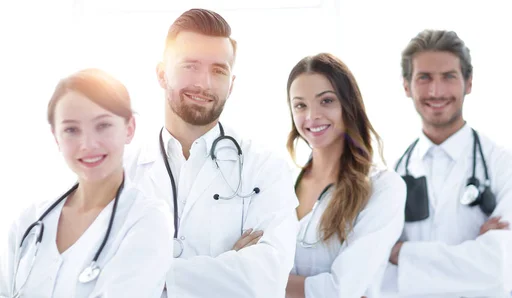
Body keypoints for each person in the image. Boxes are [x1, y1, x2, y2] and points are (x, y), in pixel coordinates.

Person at [122, 8, 299, 298]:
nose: (204, 83)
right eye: (190, 66)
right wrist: (227, 267)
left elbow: (265, 280)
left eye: (218, 70)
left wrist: (149, 273)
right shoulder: (121, 172)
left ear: (231, 84)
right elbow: (99, 273)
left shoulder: (266, 167)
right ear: (161, 73)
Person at [380, 29, 512, 298]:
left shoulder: (510, 168)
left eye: (449, 77)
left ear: (469, 82)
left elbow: (499, 268)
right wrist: (473, 255)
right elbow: (375, 273)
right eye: (424, 77)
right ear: (406, 86)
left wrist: (400, 253)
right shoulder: (387, 176)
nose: (436, 91)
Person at [0, 68, 173, 298]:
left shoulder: (147, 220)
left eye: (102, 126)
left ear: (129, 129)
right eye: (71, 130)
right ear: (56, 138)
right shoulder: (29, 222)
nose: (88, 144)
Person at [284, 53, 406, 298]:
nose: (312, 116)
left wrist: (265, 282)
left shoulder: (383, 187)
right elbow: (245, 268)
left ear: (348, 105)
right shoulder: (280, 184)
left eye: (326, 101)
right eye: (300, 105)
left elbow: (341, 290)